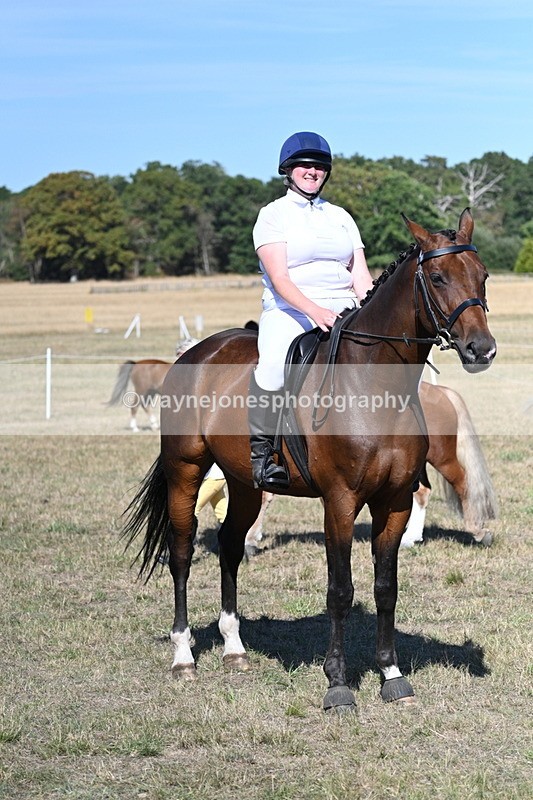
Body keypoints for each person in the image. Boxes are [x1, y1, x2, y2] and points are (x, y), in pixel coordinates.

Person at [249, 131, 374, 491]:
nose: (313, 171)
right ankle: (264, 456)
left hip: (345, 308)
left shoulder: (341, 217)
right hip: (290, 310)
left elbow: (360, 275)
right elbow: (280, 278)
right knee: (272, 368)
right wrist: (315, 311)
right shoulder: (273, 215)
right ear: (288, 170)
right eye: (305, 165)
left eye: (319, 166)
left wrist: (370, 309)